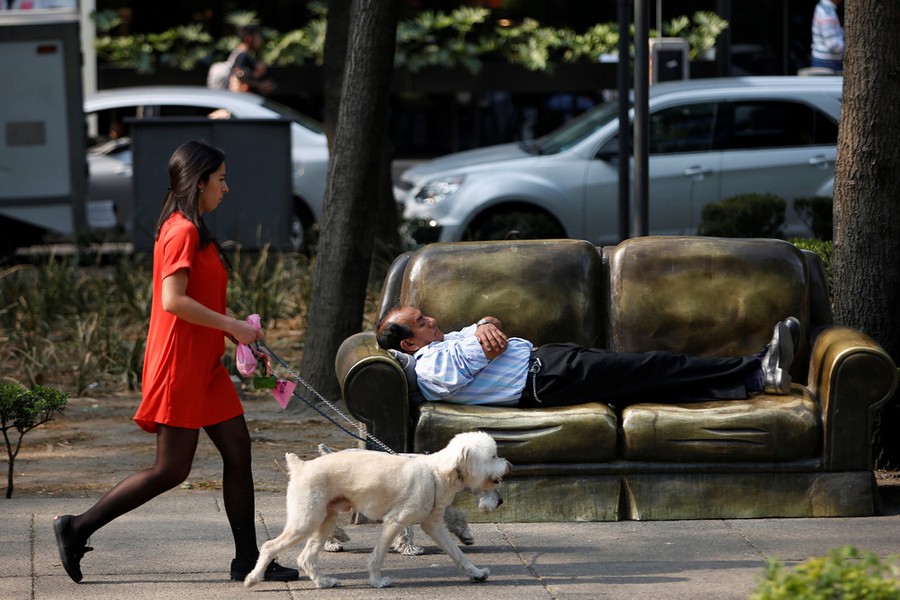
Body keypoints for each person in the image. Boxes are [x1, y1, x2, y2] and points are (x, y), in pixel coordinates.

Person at [52, 140, 299, 584]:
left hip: (204, 364)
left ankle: (247, 559)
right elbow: (173, 301)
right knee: (171, 469)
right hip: (179, 365)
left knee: (238, 451)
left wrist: (236, 332)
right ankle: (76, 528)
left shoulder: (193, 228)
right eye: (220, 179)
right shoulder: (181, 229)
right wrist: (233, 325)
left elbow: (197, 299)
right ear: (199, 180)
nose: (226, 187)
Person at [375, 306, 800, 409]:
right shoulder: (430, 367)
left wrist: (485, 322)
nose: (431, 318)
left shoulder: (440, 346)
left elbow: (487, 330)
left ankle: (753, 382)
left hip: (548, 361)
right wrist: (484, 331)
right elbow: (489, 343)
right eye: (421, 321)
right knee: (653, 366)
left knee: (648, 377)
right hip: (543, 381)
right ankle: (758, 367)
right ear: (409, 344)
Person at [228, 24, 275, 95]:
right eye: (257, 37)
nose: (259, 40)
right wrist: (259, 85)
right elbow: (239, 74)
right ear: (249, 38)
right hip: (240, 98)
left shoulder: (243, 54)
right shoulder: (241, 55)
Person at [810, 0, 844, 74]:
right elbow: (833, 44)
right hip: (828, 63)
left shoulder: (822, 6)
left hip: (825, 61)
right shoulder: (827, 13)